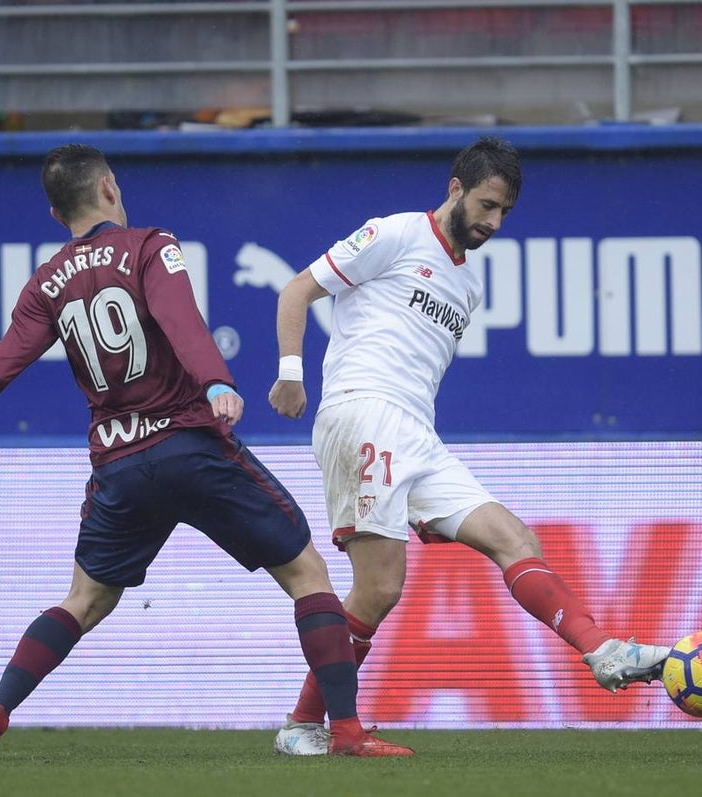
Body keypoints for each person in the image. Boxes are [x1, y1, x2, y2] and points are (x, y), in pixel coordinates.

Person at [0, 143, 413, 760]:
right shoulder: (149, 245)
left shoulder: (46, 285)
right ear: (110, 187)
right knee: (307, 575)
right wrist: (216, 381)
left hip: (119, 467)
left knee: (84, 601)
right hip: (190, 445)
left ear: (55, 212)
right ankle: (346, 732)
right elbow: (180, 318)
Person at [267, 136, 672, 755]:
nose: (493, 222)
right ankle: (312, 727)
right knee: (378, 588)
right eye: (486, 205)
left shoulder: (468, 287)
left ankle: (603, 651)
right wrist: (291, 375)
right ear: (456, 187)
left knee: (515, 538)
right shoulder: (395, 233)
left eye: (504, 212)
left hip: (418, 435)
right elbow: (296, 291)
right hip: (363, 413)